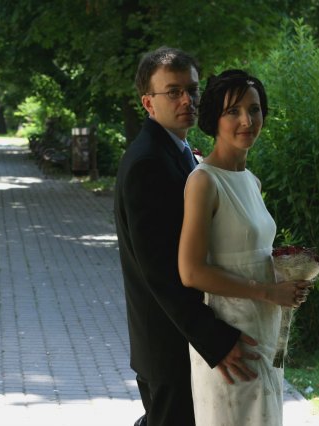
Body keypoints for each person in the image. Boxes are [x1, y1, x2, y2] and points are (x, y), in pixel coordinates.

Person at [114, 47, 261, 426]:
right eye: (174, 92)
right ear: (148, 102)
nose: (187, 100)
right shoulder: (148, 162)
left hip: (180, 338)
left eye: (192, 90)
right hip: (170, 343)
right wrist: (213, 339)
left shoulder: (177, 152)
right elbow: (160, 269)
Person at [178, 69, 312, 425]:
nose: (247, 121)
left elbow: (247, 253)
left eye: (254, 109)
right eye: (233, 111)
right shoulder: (203, 181)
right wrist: (269, 291)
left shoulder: (252, 181)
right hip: (231, 339)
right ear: (214, 119)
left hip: (265, 330)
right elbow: (191, 272)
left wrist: (287, 276)